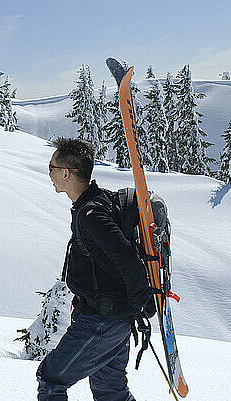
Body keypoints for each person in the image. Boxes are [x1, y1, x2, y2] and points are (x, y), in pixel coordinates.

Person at [38, 137, 151, 401]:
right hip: (111, 319)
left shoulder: (92, 215)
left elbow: (127, 260)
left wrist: (132, 306)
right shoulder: (97, 203)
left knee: (51, 379)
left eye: (51, 167)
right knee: (110, 391)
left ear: (66, 173)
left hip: (102, 320)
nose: (50, 174)